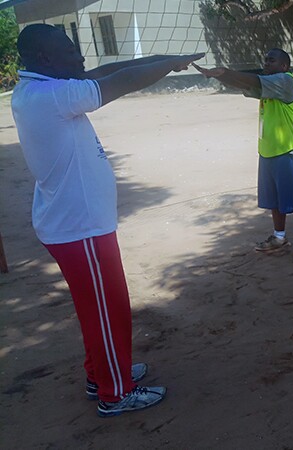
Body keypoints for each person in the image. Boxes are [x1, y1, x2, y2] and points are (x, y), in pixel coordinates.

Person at [11, 24, 204, 417]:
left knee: (96, 307)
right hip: (79, 227)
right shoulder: (53, 95)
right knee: (108, 306)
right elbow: (122, 82)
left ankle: (101, 372)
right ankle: (114, 392)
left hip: (76, 224)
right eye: (70, 50)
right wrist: (167, 64)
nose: (80, 57)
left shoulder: (42, 87)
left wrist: (165, 61)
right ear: (46, 58)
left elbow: (111, 70)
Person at [192, 49, 293, 264]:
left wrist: (224, 71)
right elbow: (247, 84)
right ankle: (279, 237)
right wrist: (219, 75)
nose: (266, 63)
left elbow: (252, 80)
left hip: (288, 152)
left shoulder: (285, 81)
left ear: (284, 66)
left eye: (271, 61)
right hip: (267, 152)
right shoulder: (267, 85)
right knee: (275, 202)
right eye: (265, 60)